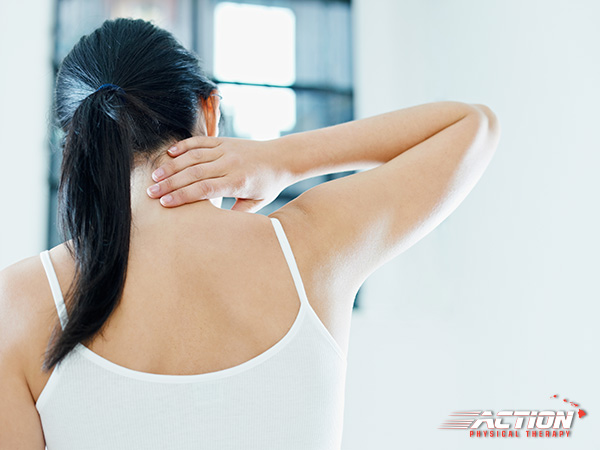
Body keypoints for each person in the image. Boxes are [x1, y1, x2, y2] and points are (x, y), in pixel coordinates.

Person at [0, 17, 500, 450]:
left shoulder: (19, 303)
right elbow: (471, 126)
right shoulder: (310, 247)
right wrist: (282, 159)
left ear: (76, 146)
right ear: (210, 110)